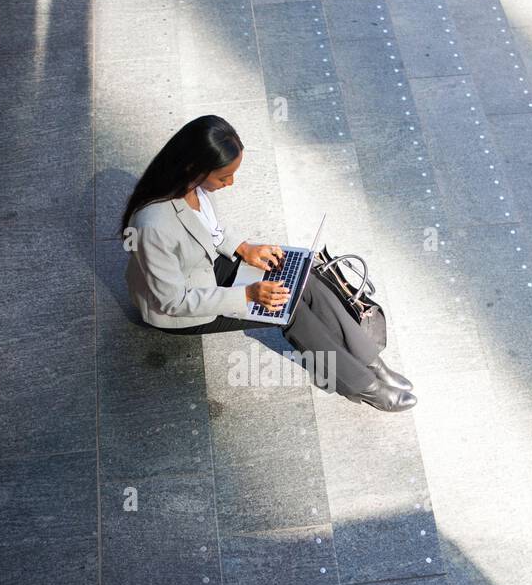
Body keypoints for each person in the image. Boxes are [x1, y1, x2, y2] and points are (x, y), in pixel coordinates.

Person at [119, 115, 416, 411]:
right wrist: (247, 295)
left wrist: (244, 248)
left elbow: (212, 231)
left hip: (204, 268)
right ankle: (363, 385)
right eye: (224, 177)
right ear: (195, 168)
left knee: (303, 277)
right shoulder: (153, 226)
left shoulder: (194, 188)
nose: (230, 183)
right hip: (184, 307)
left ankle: (370, 361)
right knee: (289, 309)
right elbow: (173, 301)